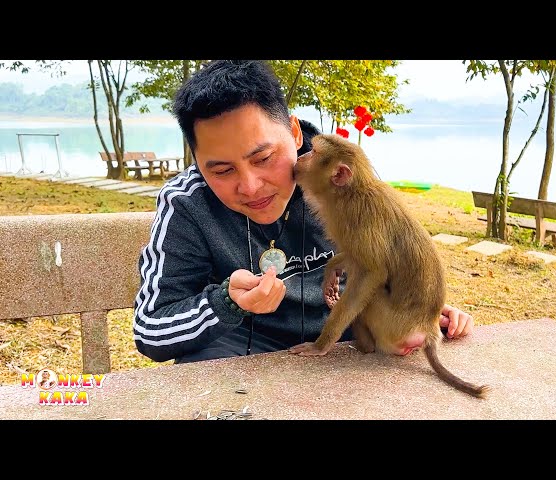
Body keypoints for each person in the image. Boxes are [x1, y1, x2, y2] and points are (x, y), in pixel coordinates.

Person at [132, 60, 475, 364]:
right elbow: (150, 331)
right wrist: (226, 303)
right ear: (197, 162)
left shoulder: (343, 177)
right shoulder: (186, 203)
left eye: (263, 159)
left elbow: (386, 264)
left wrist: (418, 311)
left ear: (295, 133)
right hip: (242, 350)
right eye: (222, 170)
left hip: (343, 345)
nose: (250, 187)